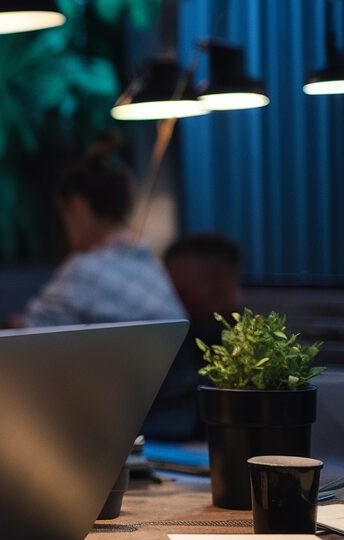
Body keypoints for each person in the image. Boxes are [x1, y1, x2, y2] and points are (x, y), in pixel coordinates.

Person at [15, 156, 185, 328]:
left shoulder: (83, 270)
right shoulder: (149, 263)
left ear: (77, 206)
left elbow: (28, 331)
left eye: (64, 215)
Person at [144, 233, 244, 440]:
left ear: (222, 283)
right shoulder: (176, 336)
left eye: (182, 292)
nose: (173, 299)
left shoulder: (255, 349)